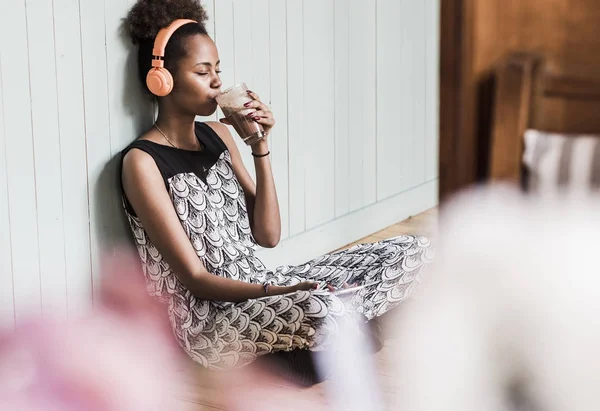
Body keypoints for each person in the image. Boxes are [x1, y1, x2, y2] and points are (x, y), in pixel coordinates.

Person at [121, 0, 432, 381]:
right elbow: (194, 280)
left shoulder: (218, 134)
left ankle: (330, 345)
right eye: (203, 72)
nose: (217, 81)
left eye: (217, 70)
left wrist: (258, 145)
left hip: (264, 285)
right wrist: (280, 293)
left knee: (418, 251)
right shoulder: (143, 162)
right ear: (162, 80)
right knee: (322, 308)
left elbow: (268, 236)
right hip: (210, 321)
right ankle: (344, 337)